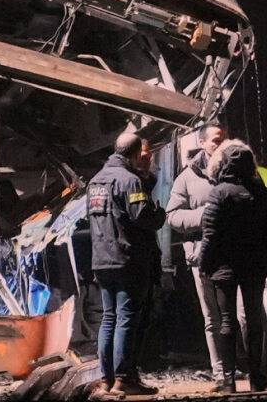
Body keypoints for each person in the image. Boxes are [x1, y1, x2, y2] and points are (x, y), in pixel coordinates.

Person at [88, 133, 165, 395]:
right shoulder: (130, 181)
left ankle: (106, 379)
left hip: (101, 259)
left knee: (108, 318)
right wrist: (159, 213)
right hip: (127, 260)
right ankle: (124, 378)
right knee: (126, 319)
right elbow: (142, 217)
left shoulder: (96, 180)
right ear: (134, 155)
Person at [198, 139, 267, 393]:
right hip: (255, 265)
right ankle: (258, 378)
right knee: (254, 319)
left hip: (224, 266)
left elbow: (210, 234)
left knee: (226, 321)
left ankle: (228, 381)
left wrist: (204, 263)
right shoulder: (260, 191)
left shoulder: (220, 191)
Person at [167, 124, 233, 384]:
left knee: (242, 314)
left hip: (234, 253)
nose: (221, 143)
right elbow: (172, 215)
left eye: (224, 139)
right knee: (212, 318)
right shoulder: (187, 177)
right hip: (201, 255)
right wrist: (203, 215)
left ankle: (249, 367)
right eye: (216, 139)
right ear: (203, 142)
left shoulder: (236, 169)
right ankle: (221, 373)